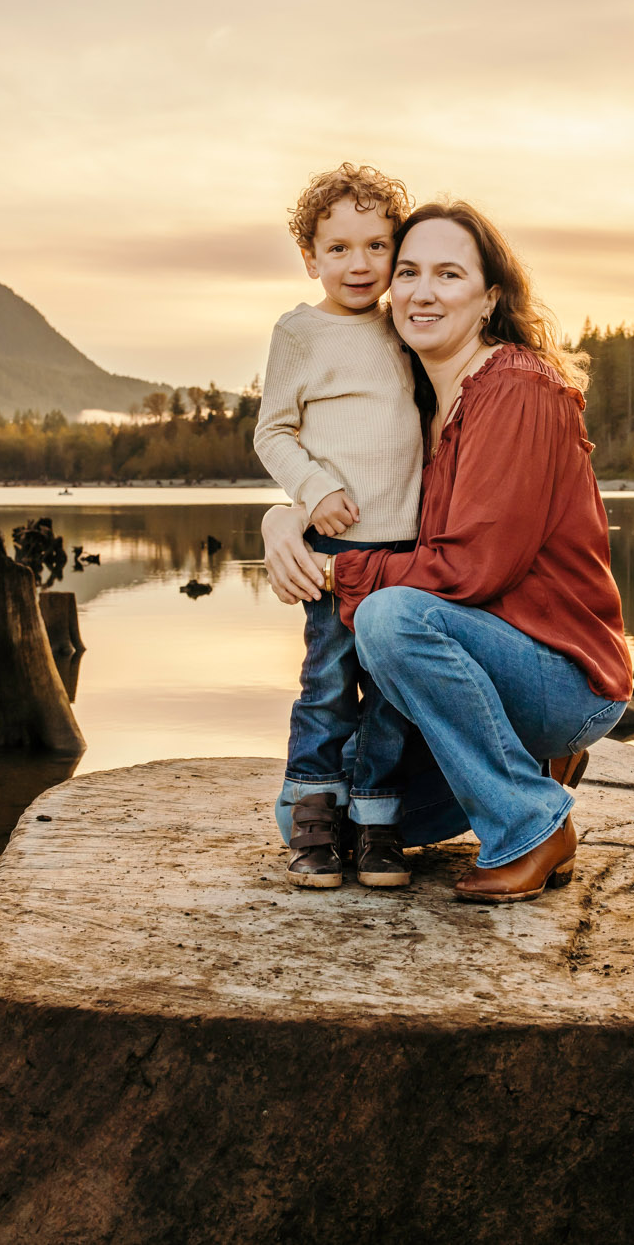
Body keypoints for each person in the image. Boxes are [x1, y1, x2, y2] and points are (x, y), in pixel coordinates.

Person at [264, 200, 632, 903]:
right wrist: (280, 516)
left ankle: (531, 824)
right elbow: (342, 481)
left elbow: (470, 570)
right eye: (407, 272)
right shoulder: (425, 407)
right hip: (482, 674)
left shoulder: (517, 390)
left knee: (389, 618)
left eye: (449, 273)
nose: (422, 291)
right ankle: (530, 768)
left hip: (561, 676)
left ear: (490, 296)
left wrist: (335, 569)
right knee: (310, 820)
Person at [252, 164, 425, 889]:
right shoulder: (300, 332)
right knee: (328, 683)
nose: (360, 264)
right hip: (332, 550)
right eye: (339, 249)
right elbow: (273, 433)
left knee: (389, 693)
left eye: (378, 246)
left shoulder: (406, 327)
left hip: (407, 548)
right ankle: (314, 815)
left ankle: (378, 825)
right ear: (310, 257)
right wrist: (312, 490)